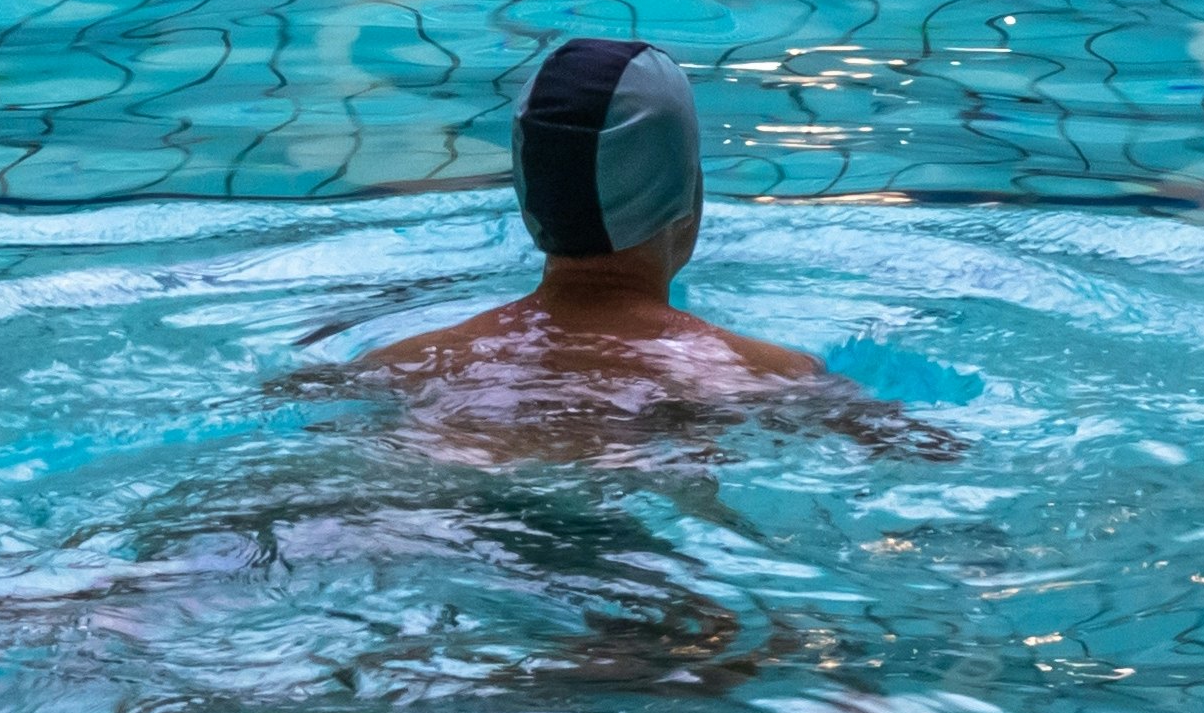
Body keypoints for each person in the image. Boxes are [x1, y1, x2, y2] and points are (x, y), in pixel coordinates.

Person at [339, 41, 864, 439]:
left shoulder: (399, 365)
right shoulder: (764, 375)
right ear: (685, 194)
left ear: (528, 195)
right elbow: (926, 454)